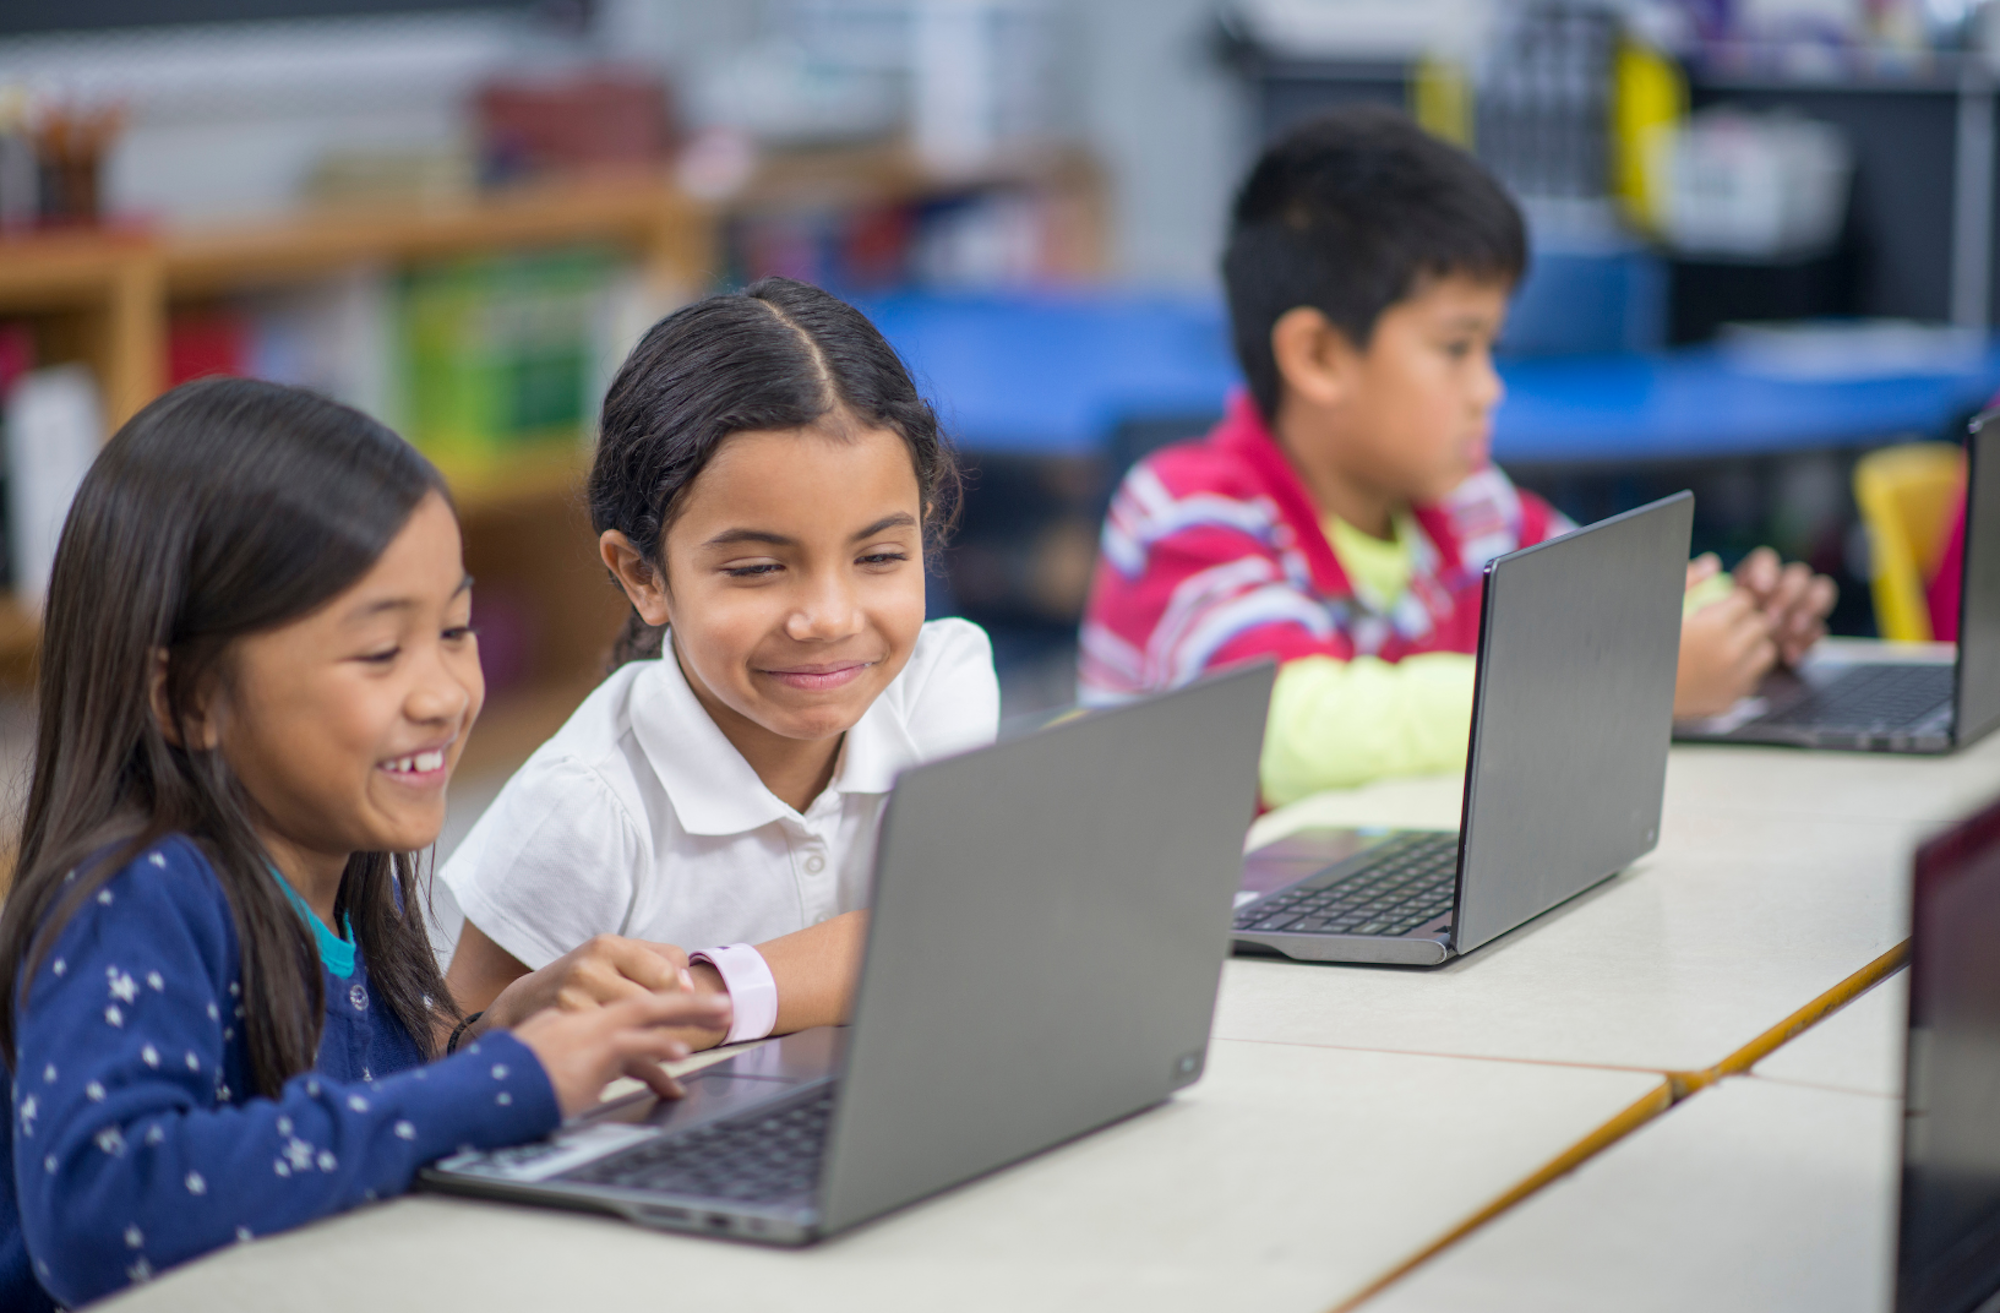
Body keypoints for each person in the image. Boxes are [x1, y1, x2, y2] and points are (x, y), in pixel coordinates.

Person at [0, 379, 729, 1309]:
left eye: (455, 630)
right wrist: (507, 1084)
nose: (442, 694)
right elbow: (106, 1208)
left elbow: (321, 1130)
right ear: (188, 696)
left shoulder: (334, 866)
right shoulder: (136, 895)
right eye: (380, 653)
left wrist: (480, 1044)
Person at [1078, 106, 1835, 807]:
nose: (1488, 389)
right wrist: (1631, 684)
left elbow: (1611, 611)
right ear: (1318, 355)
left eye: (1489, 347)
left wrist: (1734, 627)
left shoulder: (1469, 504)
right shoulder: (1182, 514)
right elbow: (1293, 729)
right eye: (1455, 348)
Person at [441, 277, 998, 1054]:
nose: (830, 617)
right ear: (642, 575)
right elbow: (450, 1047)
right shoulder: (583, 807)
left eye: (878, 555)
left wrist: (697, 998)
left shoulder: (939, 680)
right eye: (759, 569)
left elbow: (950, 925)